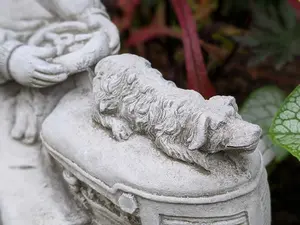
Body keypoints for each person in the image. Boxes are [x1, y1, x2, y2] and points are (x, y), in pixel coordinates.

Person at [0, 1, 119, 224]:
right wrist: (9, 57)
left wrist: (92, 15)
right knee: (29, 196)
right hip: (9, 96)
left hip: (77, 74)